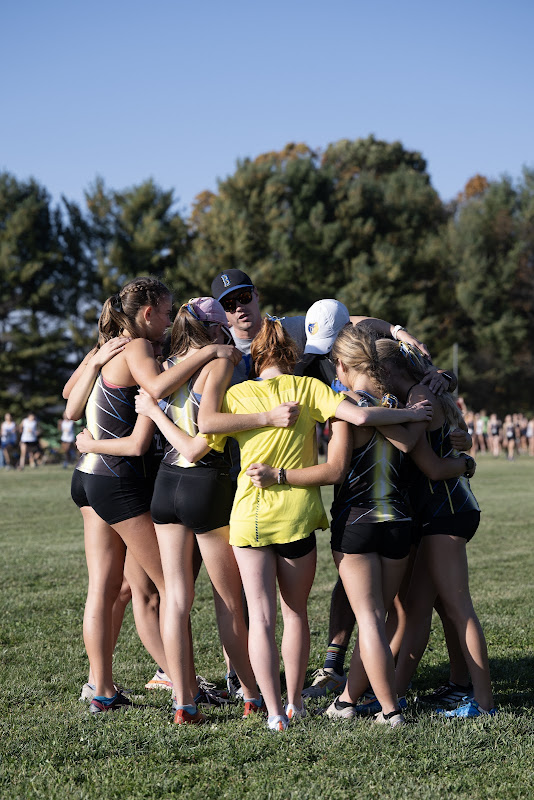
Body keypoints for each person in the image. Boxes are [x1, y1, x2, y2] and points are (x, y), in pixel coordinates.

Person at [198, 316, 434, 731]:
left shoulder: (238, 394)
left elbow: (207, 432)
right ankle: (296, 704)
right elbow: (360, 417)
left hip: (249, 518)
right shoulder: (310, 388)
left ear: (255, 358)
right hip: (298, 517)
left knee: (261, 616)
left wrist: (261, 417)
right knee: (296, 616)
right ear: (293, 355)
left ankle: (272, 713)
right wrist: (410, 410)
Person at [247, 325, 472, 727]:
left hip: (356, 522)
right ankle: (349, 700)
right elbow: (415, 446)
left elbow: (335, 470)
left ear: (344, 365)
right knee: (380, 618)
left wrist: (279, 475)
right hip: (399, 522)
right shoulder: (400, 402)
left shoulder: (345, 405)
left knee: (368, 620)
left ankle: (390, 710)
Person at [65, 276, 242, 715]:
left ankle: (101, 689)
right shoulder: (139, 347)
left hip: (88, 478)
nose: (169, 321)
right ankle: (187, 692)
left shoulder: (106, 345)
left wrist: (92, 364)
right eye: (166, 313)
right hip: (119, 479)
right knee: (168, 590)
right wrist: (209, 351)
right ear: (147, 313)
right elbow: (158, 390)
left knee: (112, 589)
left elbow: (69, 402)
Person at [133, 297, 267, 724]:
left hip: (165, 487)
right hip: (205, 483)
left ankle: (183, 704)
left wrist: (154, 411)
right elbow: (196, 443)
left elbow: (153, 397)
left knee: (176, 599)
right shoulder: (219, 362)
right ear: (214, 330)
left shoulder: (168, 362)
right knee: (229, 603)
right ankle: (251, 693)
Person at [354, 336, 495, 718]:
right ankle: (394, 696)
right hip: (435, 512)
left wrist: (466, 464)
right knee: (416, 608)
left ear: (384, 371)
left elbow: (431, 466)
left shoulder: (419, 396)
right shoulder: (415, 393)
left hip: (446, 512)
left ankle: (483, 702)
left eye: (370, 372)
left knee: (458, 605)